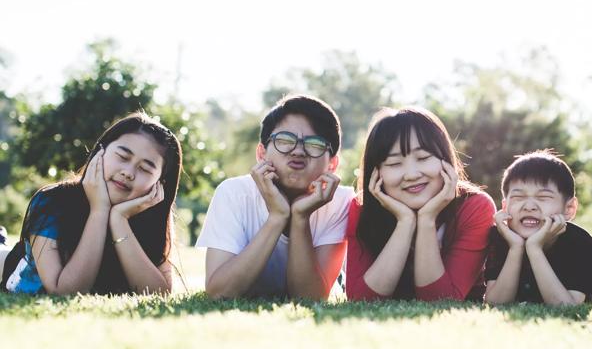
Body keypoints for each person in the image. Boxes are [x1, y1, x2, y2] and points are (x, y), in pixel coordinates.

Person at [0, 113, 182, 295]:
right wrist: (99, 210)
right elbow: (64, 291)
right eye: (122, 156)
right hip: (15, 268)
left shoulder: (152, 215)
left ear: (160, 183)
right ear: (100, 152)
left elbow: (159, 293)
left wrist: (119, 220)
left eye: (144, 168)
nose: (128, 172)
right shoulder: (52, 200)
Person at [197, 95, 353, 300]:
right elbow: (219, 293)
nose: (298, 151)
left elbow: (310, 299)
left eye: (314, 144)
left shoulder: (341, 202)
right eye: (285, 141)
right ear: (262, 154)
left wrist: (300, 217)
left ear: (332, 164)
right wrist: (277, 217)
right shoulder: (233, 193)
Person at [345, 107, 496, 301]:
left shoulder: (475, 207)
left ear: (445, 159)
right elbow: (362, 300)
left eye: (423, 158)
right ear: (376, 173)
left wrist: (426, 220)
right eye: (394, 164)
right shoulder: (361, 208)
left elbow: (440, 300)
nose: (412, 174)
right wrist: (405, 222)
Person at [484, 151, 592, 306]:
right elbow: (495, 303)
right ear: (505, 206)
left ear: (569, 208)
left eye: (543, 198)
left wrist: (534, 248)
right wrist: (515, 248)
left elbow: (566, 307)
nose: (529, 206)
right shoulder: (500, 236)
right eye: (518, 197)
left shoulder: (581, 243)